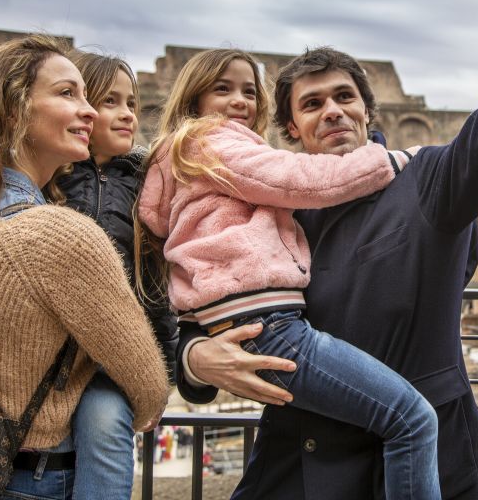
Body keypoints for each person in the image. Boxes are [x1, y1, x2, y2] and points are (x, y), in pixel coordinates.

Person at [177, 0, 478, 499]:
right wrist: (195, 359)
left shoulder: (428, 179)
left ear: (366, 109)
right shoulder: (262, 204)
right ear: (291, 131)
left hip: (410, 463)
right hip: (298, 459)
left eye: (343, 97)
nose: (331, 111)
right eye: (312, 104)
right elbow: (192, 296)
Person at [136, 47, 440, 499]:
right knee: (412, 419)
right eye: (223, 89)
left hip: (240, 320)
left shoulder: (184, 161)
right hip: (269, 322)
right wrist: (393, 160)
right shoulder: (213, 142)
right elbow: (299, 179)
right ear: (194, 101)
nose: (240, 101)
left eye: (248, 91)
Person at [0, 50, 179, 500]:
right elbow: (148, 384)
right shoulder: (60, 234)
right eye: (68, 93)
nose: (91, 110)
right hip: (38, 476)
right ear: (14, 111)